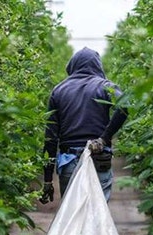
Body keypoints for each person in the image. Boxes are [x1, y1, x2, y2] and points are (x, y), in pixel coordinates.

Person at [40, 47, 128, 204]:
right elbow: (124, 106)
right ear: (97, 66)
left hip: (69, 162)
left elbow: (50, 138)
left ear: (72, 66)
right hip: (98, 158)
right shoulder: (105, 86)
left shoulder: (58, 91)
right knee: (98, 216)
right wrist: (104, 139)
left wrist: (47, 180)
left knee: (72, 218)